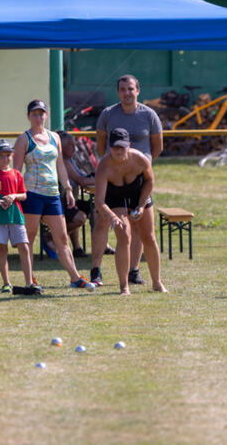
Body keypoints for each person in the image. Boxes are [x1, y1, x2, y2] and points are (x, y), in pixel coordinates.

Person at [13, 99, 95, 292]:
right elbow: (16, 170)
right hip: (32, 193)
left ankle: (75, 278)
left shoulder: (54, 138)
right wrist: (16, 195)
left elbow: (60, 166)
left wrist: (67, 188)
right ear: (28, 116)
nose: (38, 117)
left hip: (52, 194)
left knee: (62, 238)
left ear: (46, 115)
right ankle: (29, 280)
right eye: (34, 113)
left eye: (41, 113)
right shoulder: (24, 139)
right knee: (29, 238)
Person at [90, 74, 163, 287]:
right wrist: (113, 165)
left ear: (137, 90)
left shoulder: (149, 115)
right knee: (104, 221)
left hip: (138, 177)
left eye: (130, 89)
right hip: (113, 177)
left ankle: (134, 270)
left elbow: (157, 147)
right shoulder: (108, 114)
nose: (127, 93)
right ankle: (96, 268)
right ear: (118, 92)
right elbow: (101, 143)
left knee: (139, 226)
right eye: (122, 89)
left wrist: (139, 166)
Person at [94, 128, 166, 295]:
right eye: (114, 147)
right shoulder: (104, 166)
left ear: (128, 145)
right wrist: (111, 217)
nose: (118, 151)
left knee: (148, 236)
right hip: (115, 196)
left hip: (138, 193)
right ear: (109, 148)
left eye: (122, 147)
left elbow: (150, 181)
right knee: (124, 235)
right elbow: (99, 200)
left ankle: (157, 282)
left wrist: (141, 205)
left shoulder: (140, 159)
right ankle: (124, 286)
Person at [0, 139, 41, 294]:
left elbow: (24, 195)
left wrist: (13, 196)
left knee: (24, 247)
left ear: (12, 156)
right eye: (1, 155)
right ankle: (6, 283)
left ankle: (29, 282)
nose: (5, 158)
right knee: (2, 249)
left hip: (16, 216)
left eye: (8, 155)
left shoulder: (17, 174)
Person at [56, 130, 115, 259]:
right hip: (61, 201)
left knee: (97, 210)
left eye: (74, 144)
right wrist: (102, 179)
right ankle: (51, 237)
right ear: (61, 147)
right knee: (79, 217)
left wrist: (95, 177)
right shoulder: (62, 162)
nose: (74, 148)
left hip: (72, 200)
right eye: (70, 145)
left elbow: (83, 177)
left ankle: (98, 245)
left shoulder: (70, 159)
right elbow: (80, 180)